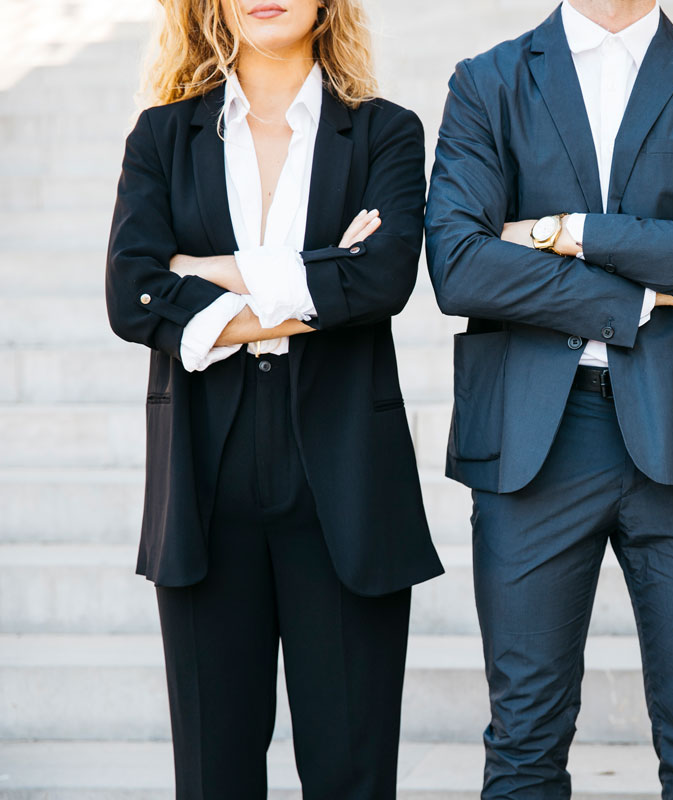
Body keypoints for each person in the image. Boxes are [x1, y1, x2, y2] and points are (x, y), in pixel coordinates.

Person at [424, 0, 673, 796]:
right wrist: (636, 298)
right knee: (523, 741)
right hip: (534, 442)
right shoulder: (487, 82)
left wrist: (574, 231)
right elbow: (460, 265)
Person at [105, 1, 443, 796]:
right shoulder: (161, 135)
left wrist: (204, 270)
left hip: (346, 485)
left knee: (351, 775)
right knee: (214, 777)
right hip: (203, 484)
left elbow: (384, 278)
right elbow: (132, 296)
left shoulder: (387, 131)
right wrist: (317, 269)